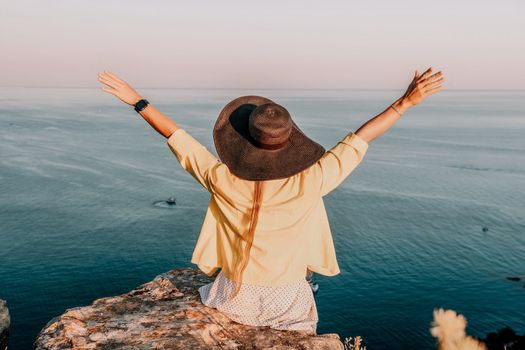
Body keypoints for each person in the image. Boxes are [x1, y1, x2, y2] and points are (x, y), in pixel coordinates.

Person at [97, 67, 444, 334]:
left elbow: (179, 138)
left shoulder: (223, 180)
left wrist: (138, 101)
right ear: (289, 141)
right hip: (288, 301)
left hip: (232, 298)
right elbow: (360, 138)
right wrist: (405, 102)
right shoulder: (312, 180)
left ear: (243, 141)